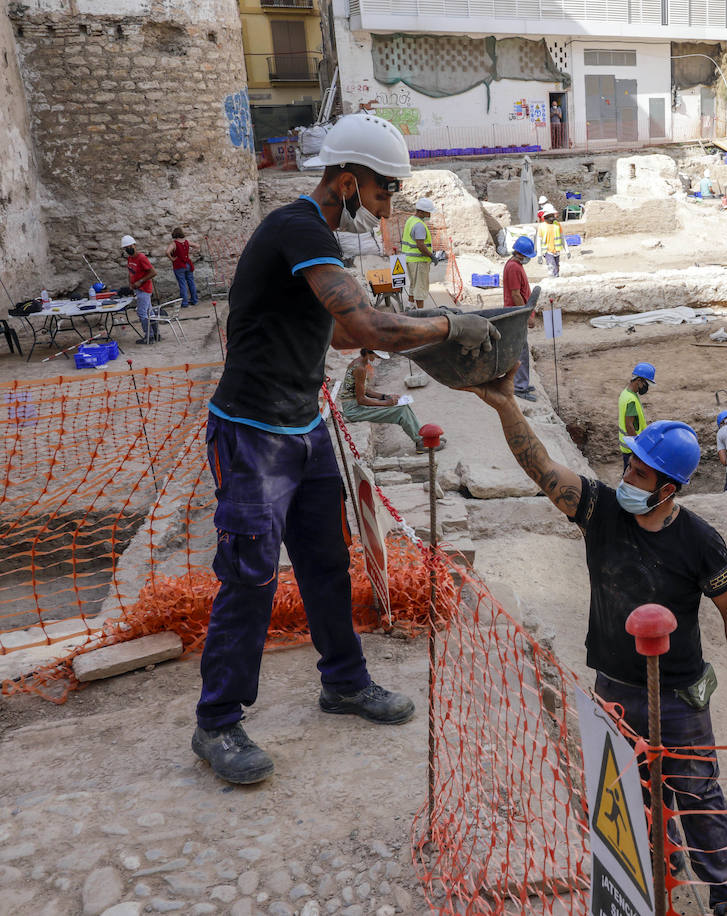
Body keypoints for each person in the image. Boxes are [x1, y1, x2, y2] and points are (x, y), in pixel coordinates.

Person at [194, 112, 500, 786]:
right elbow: (360, 323)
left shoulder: (319, 239)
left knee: (327, 561)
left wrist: (392, 337)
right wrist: (447, 324)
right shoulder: (296, 225)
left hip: (302, 427)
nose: (387, 205)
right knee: (249, 575)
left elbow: (337, 336)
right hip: (251, 433)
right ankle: (217, 722)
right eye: (384, 191)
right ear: (349, 179)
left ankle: (344, 682)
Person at [466, 373, 727, 916]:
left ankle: (726, 896)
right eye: (628, 464)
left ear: (667, 488)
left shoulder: (699, 541)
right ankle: (654, 865)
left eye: (639, 471)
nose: (626, 474)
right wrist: (506, 408)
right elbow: (541, 467)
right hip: (615, 689)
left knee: (697, 794)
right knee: (633, 794)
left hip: (680, 695)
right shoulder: (599, 511)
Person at [339, 349, 443, 454]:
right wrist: (385, 403)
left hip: (354, 406)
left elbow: (364, 390)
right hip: (353, 410)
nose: (377, 359)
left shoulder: (359, 362)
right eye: (377, 356)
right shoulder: (360, 368)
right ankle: (421, 443)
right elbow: (361, 399)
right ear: (368, 352)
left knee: (404, 407)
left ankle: (422, 437)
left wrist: (385, 397)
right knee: (400, 411)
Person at [504, 234, 541, 402]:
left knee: (521, 350)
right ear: (521, 254)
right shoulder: (513, 267)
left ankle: (521, 383)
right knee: (521, 351)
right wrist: (526, 315)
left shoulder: (516, 265)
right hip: (516, 315)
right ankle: (519, 386)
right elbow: (515, 294)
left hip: (517, 314)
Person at [618, 362, 654, 471]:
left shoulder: (626, 393)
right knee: (630, 476)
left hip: (627, 445)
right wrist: (637, 449)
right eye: (646, 384)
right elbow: (629, 426)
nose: (646, 387)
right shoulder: (631, 400)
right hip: (631, 448)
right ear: (639, 381)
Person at [122, 234, 158, 344]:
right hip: (138, 289)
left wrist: (140, 281)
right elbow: (130, 272)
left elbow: (153, 272)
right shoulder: (130, 259)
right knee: (149, 312)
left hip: (144, 289)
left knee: (142, 313)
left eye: (130, 246)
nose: (128, 249)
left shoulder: (141, 258)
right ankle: (156, 334)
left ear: (134, 245)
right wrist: (131, 285)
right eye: (126, 247)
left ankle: (149, 336)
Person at [401, 197, 436, 308]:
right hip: (419, 261)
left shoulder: (411, 220)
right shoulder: (419, 225)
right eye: (428, 212)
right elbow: (420, 245)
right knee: (420, 287)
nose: (430, 215)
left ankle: (410, 306)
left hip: (410, 260)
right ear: (421, 212)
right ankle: (421, 312)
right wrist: (432, 256)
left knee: (414, 285)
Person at [165, 228, 199, 309]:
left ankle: (185, 303)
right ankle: (194, 300)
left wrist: (172, 258)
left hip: (179, 265)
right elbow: (197, 246)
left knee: (182, 284)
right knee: (191, 282)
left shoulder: (174, 244)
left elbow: (167, 252)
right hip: (188, 264)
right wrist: (192, 252)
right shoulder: (186, 242)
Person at [536, 204, 564, 277]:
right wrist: (539, 255)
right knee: (551, 267)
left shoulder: (557, 225)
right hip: (547, 251)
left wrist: (567, 250)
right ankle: (553, 280)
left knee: (557, 267)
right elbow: (538, 241)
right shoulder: (542, 226)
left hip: (556, 250)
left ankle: (556, 278)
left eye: (552, 215)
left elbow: (562, 238)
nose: (552, 217)